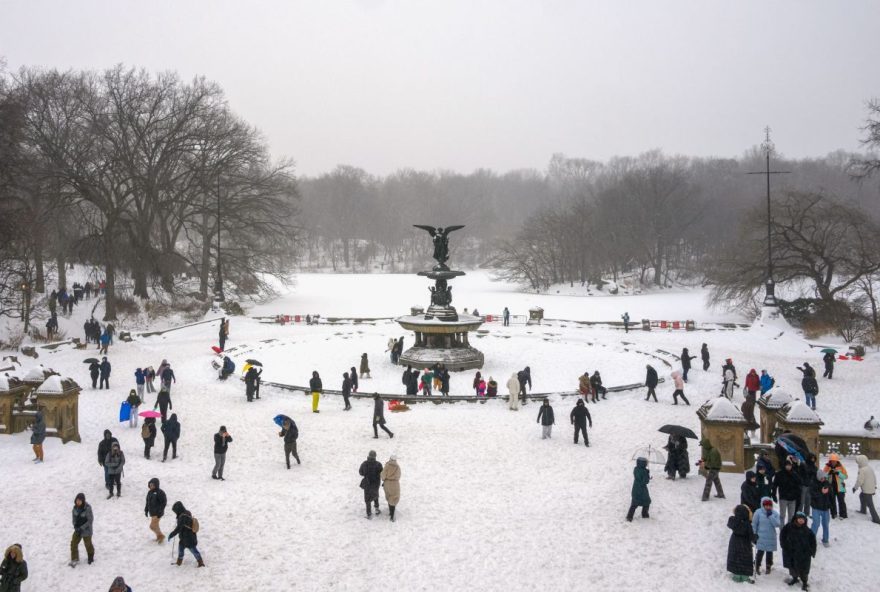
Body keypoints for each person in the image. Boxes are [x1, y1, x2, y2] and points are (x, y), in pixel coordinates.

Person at [780, 512, 816, 590]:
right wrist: (784, 545)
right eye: (799, 519)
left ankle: (805, 583)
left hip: (804, 554)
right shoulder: (789, 527)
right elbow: (782, 535)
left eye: (802, 519)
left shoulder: (807, 531)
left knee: (804, 570)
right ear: (796, 519)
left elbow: (813, 542)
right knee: (792, 568)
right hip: (791, 553)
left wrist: (812, 551)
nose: (801, 521)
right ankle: (795, 578)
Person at [169, 501, 204, 567]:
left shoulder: (183, 517)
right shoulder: (186, 512)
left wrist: (171, 535)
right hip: (184, 537)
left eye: (175, 511)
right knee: (180, 549)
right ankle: (179, 562)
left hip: (188, 538)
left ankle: (200, 562)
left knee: (193, 550)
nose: (175, 512)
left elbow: (178, 528)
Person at [726, 504, 755, 583]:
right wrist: (756, 537)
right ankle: (744, 576)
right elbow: (752, 537)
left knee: (736, 557)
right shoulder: (747, 524)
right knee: (744, 558)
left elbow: (729, 524)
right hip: (744, 543)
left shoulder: (733, 520)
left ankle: (736, 575)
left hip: (734, 541)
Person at [752, 497, 781, 575]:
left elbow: (777, 524)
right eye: (766, 505)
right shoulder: (758, 512)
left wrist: (770, 516)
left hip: (771, 537)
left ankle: (768, 566)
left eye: (769, 505)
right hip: (760, 536)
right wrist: (754, 533)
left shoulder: (774, 513)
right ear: (763, 505)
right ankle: (757, 566)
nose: (768, 507)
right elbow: (754, 524)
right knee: (760, 552)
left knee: (769, 553)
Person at [772, 459, 802, 526]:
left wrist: (798, 496)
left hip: (793, 498)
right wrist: (773, 494)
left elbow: (799, 483)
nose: (789, 467)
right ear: (784, 466)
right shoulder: (779, 474)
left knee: (791, 516)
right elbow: (774, 485)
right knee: (782, 515)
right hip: (783, 498)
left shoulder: (794, 474)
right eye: (787, 466)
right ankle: (782, 530)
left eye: (790, 466)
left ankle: (789, 530)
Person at [853, 454, 880, 524]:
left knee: (870, 504)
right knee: (861, 496)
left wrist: (855, 488)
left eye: (858, 462)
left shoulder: (862, 470)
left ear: (861, 462)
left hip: (867, 490)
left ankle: (876, 519)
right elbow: (874, 477)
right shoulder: (869, 468)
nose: (857, 463)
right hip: (871, 488)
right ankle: (863, 510)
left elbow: (860, 481)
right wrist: (874, 485)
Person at [69, 493, 95, 567]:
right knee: (73, 543)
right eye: (77, 500)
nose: (78, 502)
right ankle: (74, 559)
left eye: (80, 500)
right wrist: (75, 526)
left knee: (88, 544)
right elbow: (73, 519)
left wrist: (82, 528)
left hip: (86, 530)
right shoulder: (74, 509)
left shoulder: (88, 508)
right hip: (78, 530)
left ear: (83, 501)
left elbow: (90, 521)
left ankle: (90, 556)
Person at [810, 471, 832, 547]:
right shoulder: (813, 483)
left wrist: (832, 508)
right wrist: (821, 492)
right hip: (816, 507)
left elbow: (831, 495)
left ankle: (825, 540)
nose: (823, 479)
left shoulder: (827, 483)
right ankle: (811, 540)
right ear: (818, 477)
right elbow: (813, 495)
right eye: (822, 478)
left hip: (825, 508)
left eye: (824, 477)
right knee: (816, 524)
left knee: (826, 524)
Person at [359, 450, 383, 519]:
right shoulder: (378, 464)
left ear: (368, 455)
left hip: (367, 483)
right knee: (376, 495)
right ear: (375, 456)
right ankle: (377, 509)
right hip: (376, 483)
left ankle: (369, 513)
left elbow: (360, 472)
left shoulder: (364, 464)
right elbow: (382, 473)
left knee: (367, 498)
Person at [823, 453, 848, 519]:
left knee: (841, 501)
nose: (833, 462)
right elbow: (823, 477)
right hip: (831, 487)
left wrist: (838, 473)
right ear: (830, 461)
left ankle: (843, 514)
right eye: (832, 461)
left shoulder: (841, 467)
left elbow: (845, 476)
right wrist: (828, 473)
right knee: (832, 501)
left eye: (835, 461)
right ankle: (833, 514)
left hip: (840, 487)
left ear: (837, 461)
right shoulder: (827, 467)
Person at [626, 457, 651, 522]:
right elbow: (645, 481)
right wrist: (647, 474)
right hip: (642, 489)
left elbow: (639, 477)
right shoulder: (644, 471)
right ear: (643, 464)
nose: (646, 464)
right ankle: (644, 514)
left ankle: (629, 516)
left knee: (634, 502)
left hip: (635, 488)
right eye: (646, 463)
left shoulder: (636, 469)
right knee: (647, 501)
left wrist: (646, 472)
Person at [144, 477, 167, 544]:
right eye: (150, 485)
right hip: (152, 513)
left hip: (158, 513)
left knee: (152, 526)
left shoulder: (160, 492)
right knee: (156, 526)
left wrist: (160, 511)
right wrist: (146, 510)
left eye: (153, 485)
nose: (151, 486)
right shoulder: (149, 492)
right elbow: (147, 502)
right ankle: (159, 537)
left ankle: (161, 536)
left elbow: (163, 503)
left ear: (156, 485)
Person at [381, 455, 401, 522]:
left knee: (389, 496)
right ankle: (393, 514)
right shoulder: (398, 467)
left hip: (387, 483)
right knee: (394, 498)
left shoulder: (387, 466)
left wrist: (385, 479)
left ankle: (390, 511)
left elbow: (383, 475)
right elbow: (398, 476)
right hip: (395, 484)